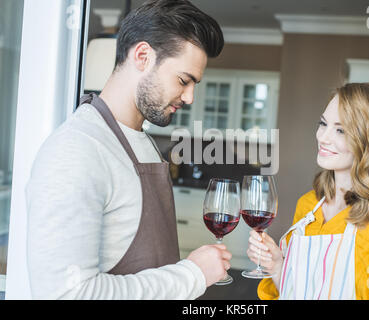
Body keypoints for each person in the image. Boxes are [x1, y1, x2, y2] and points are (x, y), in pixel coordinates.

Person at [26, 0, 231, 299]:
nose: (189, 98)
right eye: (184, 80)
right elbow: (66, 294)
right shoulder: (76, 151)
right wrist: (192, 274)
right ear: (143, 56)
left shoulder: (143, 142)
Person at [247, 83, 369, 300]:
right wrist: (278, 266)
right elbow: (296, 293)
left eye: (341, 130)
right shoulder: (308, 205)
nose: (323, 137)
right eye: (323, 124)